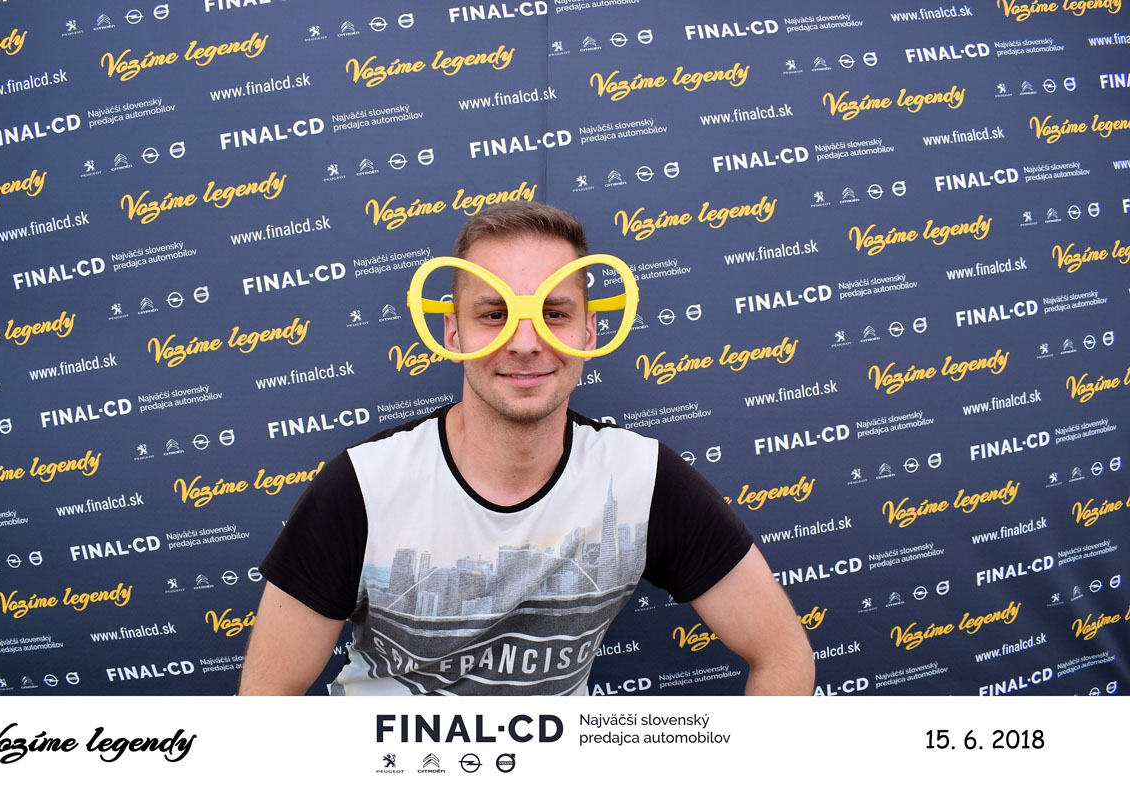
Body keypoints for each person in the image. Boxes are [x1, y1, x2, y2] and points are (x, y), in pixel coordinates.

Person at [239, 202, 815, 695]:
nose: (523, 342)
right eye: (494, 314)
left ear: (589, 332)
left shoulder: (642, 479)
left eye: (554, 314)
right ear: (453, 333)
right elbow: (265, 701)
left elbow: (784, 656)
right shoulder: (364, 485)